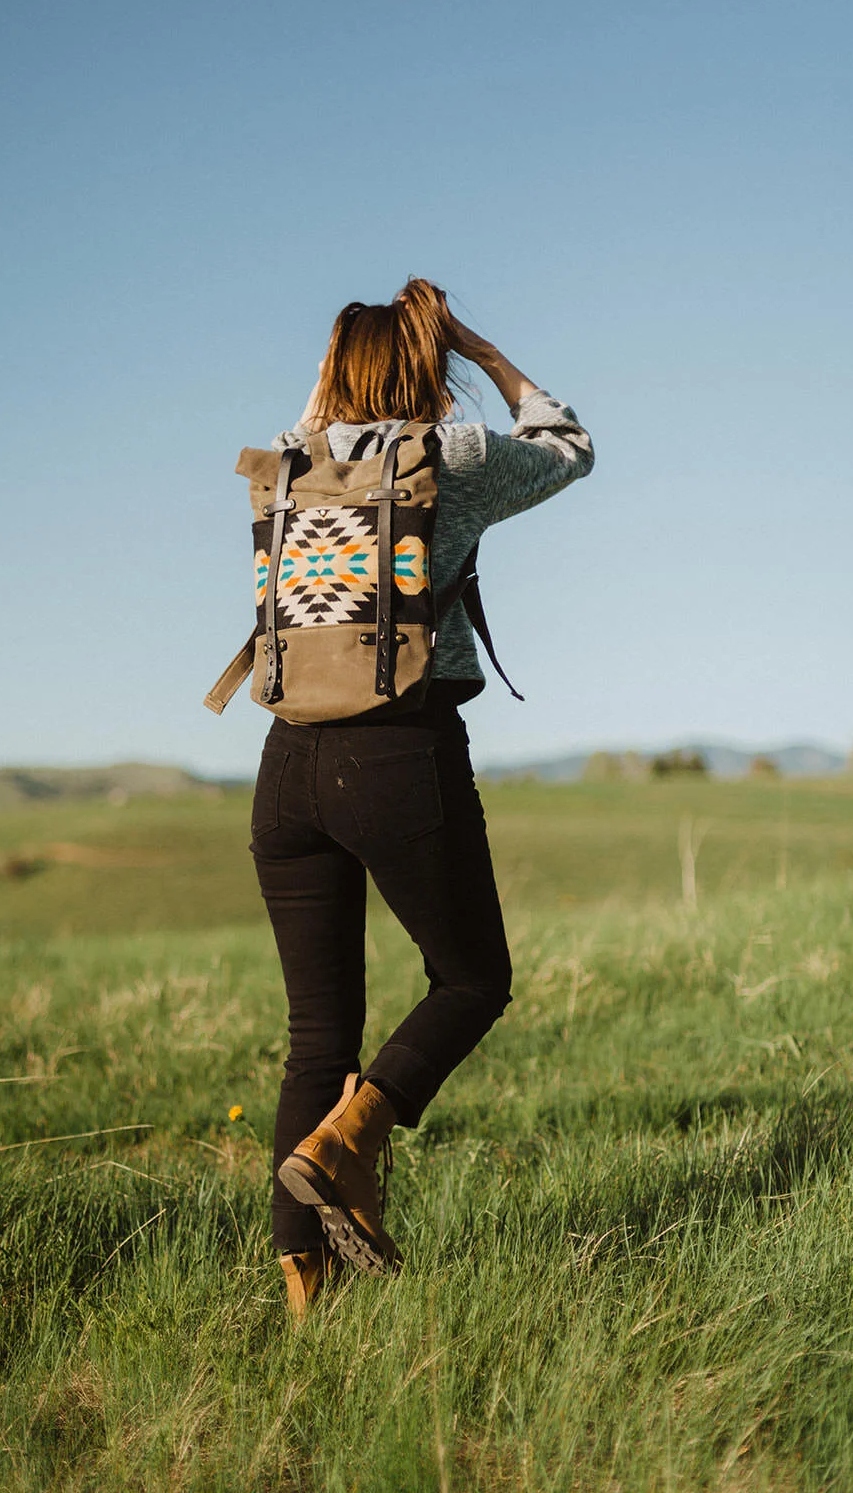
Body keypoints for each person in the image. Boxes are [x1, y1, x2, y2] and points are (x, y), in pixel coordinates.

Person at [248, 278, 594, 1316]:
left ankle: (305, 1303)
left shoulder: (288, 462)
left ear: (333, 375)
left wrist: (328, 378)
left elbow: (316, 414)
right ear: (424, 367)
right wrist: (484, 352)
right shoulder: (456, 459)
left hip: (284, 769)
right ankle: (350, 1140)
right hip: (397, 753)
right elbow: (573, 446)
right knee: (471, 979)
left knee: (318, 1040)